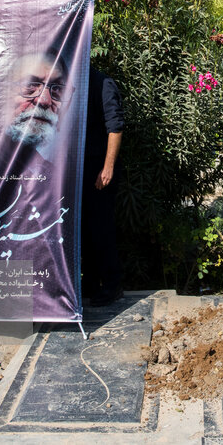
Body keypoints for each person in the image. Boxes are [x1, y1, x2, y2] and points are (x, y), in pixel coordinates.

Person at [80, 66, 126, 307]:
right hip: (77, 172)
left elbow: (115, 127)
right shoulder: (68, 82)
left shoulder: (102, 82)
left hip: (99, 169)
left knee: (101, 228)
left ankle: (112, 285)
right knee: (83, 230)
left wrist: (107, 167)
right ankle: (89, 285)